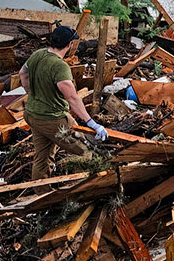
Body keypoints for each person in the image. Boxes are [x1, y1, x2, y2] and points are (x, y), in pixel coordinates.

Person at [19, 26, 108, 189]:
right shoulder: (60, 67)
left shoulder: (38, 55)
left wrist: (33, 94)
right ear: (69, 45)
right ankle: (91, 188)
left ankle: (40, 193)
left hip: (32, 114)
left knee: (42, 156)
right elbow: (72, 97)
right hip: (52, 119)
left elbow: (22, 74)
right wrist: (91, 123)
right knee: (85, 151)